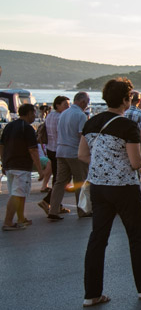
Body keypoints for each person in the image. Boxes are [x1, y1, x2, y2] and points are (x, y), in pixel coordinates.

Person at [78, 78, 141, 307]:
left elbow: (82, 155)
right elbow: (136, 163)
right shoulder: (127, 126)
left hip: (98, 187)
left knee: (98, 239)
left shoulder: (91, 123)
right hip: (124, 188)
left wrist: (103, 165)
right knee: (136, 238)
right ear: (126, 100)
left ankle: (92, 294)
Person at [48, 91, 91, 220]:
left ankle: (53, 210)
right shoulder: (81, 115)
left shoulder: (63, 113)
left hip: (60, 150)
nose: (87, 105)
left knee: (60, 182)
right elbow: (81, 136)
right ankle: (82, 210)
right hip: (74, 152)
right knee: (80, 182)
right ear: (82, 102)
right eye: (87, 103)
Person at [1, 104, 44, 230]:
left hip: (9, 164)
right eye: (34, 113)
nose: (35, 116)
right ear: (29, 113)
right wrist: (40, 170)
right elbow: (33, 151)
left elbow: (2, 145)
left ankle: (21, 218)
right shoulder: (28, 129)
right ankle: (8, 222)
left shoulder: (9, 126)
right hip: (21, 166)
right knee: (17, 194)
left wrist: (3, 162)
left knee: (19, 193)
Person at [38, 96, 70, 215]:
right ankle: (48, 201)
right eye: (65, 104)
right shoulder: (61, 117)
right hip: (59, 150)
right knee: (63, 178)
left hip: (50, 149)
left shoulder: (50, 115)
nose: (68, 107)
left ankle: (56, 204)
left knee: (57, 178)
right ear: (57, 105)